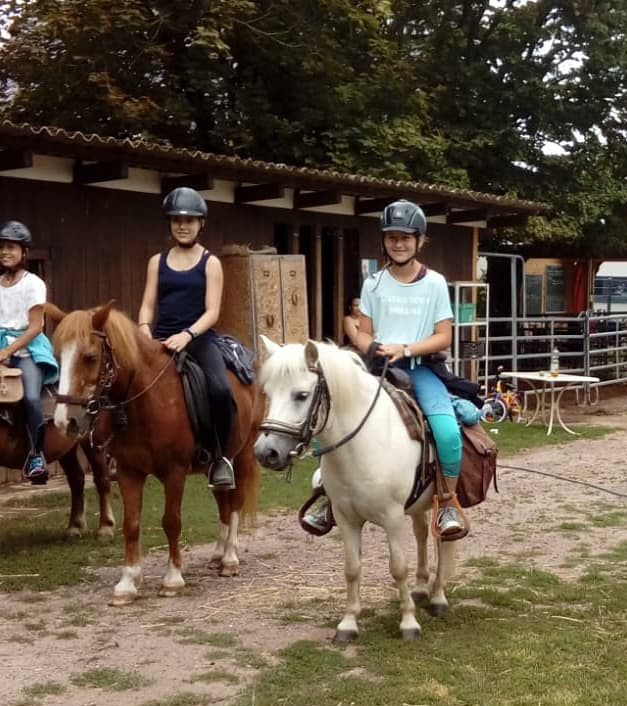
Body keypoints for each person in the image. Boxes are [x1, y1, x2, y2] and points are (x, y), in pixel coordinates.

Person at [303, 199, 463, 537]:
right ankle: (329, 498)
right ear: (384, 241)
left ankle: (446, 502)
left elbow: (444, 336)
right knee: (328, 421)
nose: (399, 243)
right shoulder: (373, 282)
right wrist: (370, 347)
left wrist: (405, 348)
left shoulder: (435, 283)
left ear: (419, 240)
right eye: (392, 237)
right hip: (376, 366)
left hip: (421, 368)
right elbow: (363, 332)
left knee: (448, 433)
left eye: (406, 237)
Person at [138, 187, 237, 489]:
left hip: (199, 338)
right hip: (160, 338)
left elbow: (212, 312)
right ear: (169, 223)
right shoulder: (157, 261)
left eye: (190, 220)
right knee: (125, 382)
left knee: (220, 389)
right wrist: (143, 327)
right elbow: (147, 303)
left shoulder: (211, 263)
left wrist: (188, 334)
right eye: (177, 219)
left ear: (201, 223)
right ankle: (125, 451)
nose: (183, 225)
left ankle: (220, 456)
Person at [0, 220, 59, 481]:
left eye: (11, 247)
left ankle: (36, 456)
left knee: (32, 398)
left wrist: (7, 350)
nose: (4, 252)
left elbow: (36, 327)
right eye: (1, 248)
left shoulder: (33, 284)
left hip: (27, 348)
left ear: (24, 252)